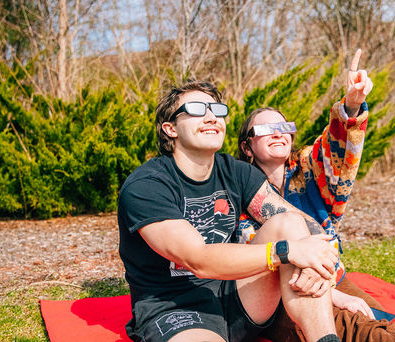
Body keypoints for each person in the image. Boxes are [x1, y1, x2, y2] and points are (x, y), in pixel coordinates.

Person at [117, 80, 345, 342]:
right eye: (196, 109)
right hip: (175, 308)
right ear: (170, 129)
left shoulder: (235, 171)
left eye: (217, 109)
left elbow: (306, 225)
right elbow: (198, 260)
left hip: (238, 296)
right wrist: (287, 251)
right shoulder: (147, 185)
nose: (212, 117)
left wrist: (321, 268)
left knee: (290, 224)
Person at [236, 50, 395, 341]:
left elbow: (337, 147)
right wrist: (334, 297)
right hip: (279, 293)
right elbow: (251, 256)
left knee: (376, 321)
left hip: (330, 275)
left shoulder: (309, 166)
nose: (278, 133)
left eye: (284, 127)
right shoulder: (239, 187)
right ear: (247, 147)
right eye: (267, 129)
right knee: (357, 330)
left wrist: (352, 106)